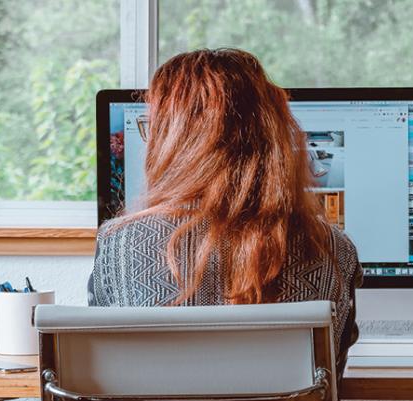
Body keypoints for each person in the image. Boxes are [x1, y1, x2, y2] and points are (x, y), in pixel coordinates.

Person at [88, 48, 362, 373]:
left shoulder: (118, 244)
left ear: (171, 138)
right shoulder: (332, 248)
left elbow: (108, 366)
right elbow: (331, 380)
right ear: (272, 135)